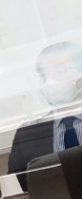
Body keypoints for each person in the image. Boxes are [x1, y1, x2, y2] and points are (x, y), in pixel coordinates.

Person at [7, 42, 82, 190]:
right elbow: (12, 194)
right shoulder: (27, 135)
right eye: (44, 75)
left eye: (59, 70)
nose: (49, 82)